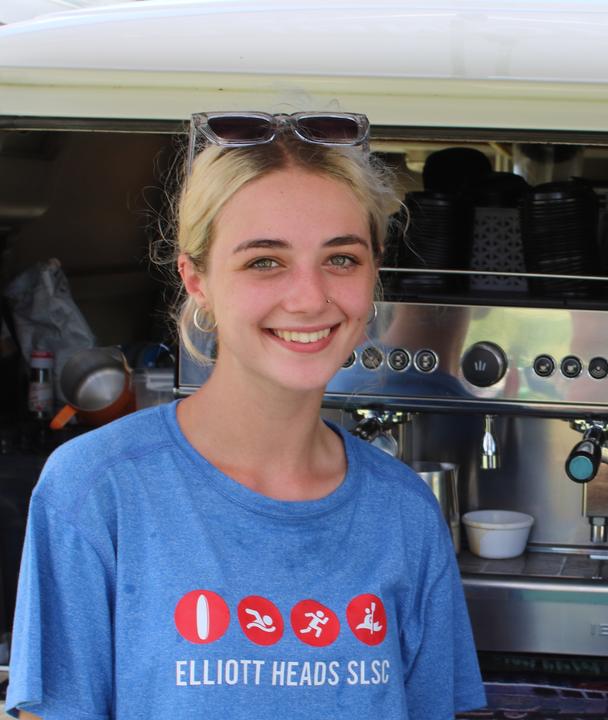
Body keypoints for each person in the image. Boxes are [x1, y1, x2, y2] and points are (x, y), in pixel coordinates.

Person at [4, 111, 486, 719]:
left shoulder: (405, 512)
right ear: (197, 278)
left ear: (373, 271)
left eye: (341, 258)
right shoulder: (97, 489)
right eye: (265, 261)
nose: (310, 297)